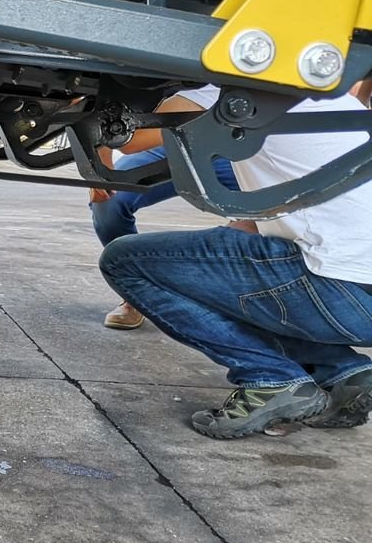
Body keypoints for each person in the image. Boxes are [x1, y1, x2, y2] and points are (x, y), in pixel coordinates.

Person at [99, 80, 372, 439]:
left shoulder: (228, 91)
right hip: (357, 297)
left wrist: (86, 104)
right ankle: (344, 372)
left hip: (339, 290)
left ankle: (270, 378)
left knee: (124, 261)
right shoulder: (330, 97)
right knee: (216, 278)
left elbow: (131, 134)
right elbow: (252, 226)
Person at [91, 90, 238, 330]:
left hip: (235, 156)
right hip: (171, 144)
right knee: (110, 200)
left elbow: (132, 139)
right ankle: (138, 292)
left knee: (270, 219)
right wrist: (100, 163)